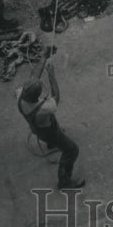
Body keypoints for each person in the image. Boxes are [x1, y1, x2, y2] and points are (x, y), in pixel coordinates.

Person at [18, 60, 85, 189]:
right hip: (49, 132)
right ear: (37, 96)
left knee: (51, 127)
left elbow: (34, 75)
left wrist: (43, 56)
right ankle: (64, 181)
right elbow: (56, 96)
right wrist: (51, 76)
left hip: (36, 128)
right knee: (72, 150)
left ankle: (51, 144)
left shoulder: (20, 97)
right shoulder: (45, 108)